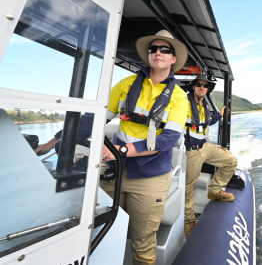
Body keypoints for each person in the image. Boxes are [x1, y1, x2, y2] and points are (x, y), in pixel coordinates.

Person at [35, 30, 188, 265]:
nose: (158, 53)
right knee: (97, 228)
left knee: (143, 240)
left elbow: (168, 139)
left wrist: (124, 151)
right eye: (154, 49)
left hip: (150, 177)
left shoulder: (179, 97)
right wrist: (51, 142)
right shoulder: (126, 86)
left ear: (173, 59)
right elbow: (91, 120)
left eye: (165, 50)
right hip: (112, 171)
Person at [183, 74, 238, 239]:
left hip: (205, 146)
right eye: (198, 84)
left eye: (205, 85)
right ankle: (189, 219)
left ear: (207, 89)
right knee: (188, 186)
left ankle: (214, 191)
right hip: (191, 150)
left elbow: (208, 121)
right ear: (193, 87)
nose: (202, 87)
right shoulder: (183, 103)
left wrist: (220, 114)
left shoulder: (204, 105)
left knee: (231, 161)